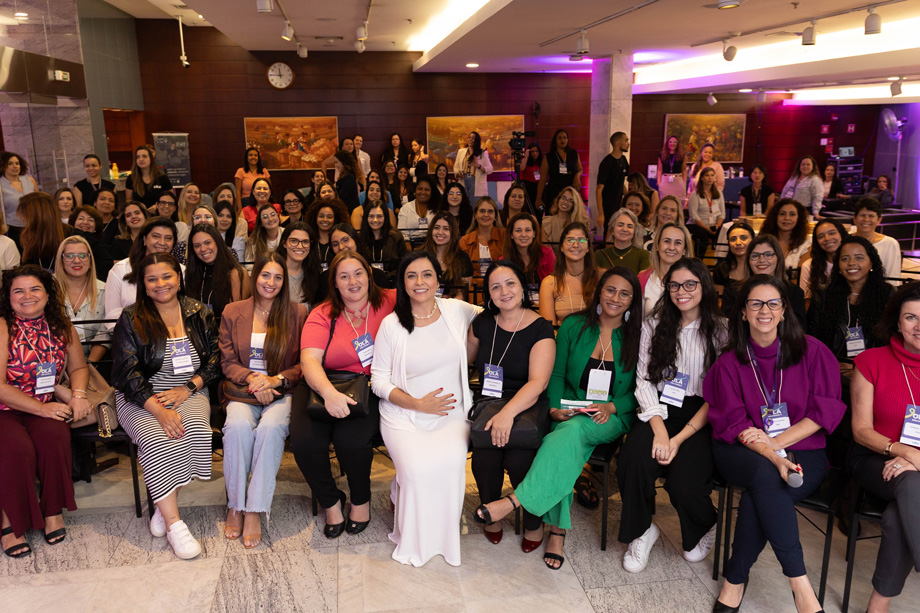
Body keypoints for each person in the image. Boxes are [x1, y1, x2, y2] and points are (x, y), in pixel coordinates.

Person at [474, 268, 642, 570]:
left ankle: (516, 503)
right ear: (599, 291)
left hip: (610, 416)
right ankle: (555, 531)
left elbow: (641, 389)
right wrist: (553, 409)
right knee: (565, 441)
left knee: (566, 436)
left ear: (633, 300)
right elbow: (558, 375)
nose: (616, 298)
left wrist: (613, 407)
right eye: (610, 290)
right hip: (567, 409)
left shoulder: (639, 336)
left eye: (624, 293)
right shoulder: (574, 326)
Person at [705, 275, 845, 613]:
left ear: (784, 311)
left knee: (762, 493)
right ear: (742, 312)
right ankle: (800, 585)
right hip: (741, 451)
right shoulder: (728, 363)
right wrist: (772, 454)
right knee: (766, 474)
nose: (764, 310)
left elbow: (824, 411)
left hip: (804, 449)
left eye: (773, 303)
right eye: (755, 303)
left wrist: (776, 442)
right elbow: (735, 424)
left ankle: (734, 579)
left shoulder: (813, 351)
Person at [370, 251, 481, 566]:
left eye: (427, 274)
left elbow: (497, 314)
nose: (420, 282)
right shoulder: (392, 325)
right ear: (402, 283)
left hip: (451, 414)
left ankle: (444, 539)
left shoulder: (456, 310)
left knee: (450, 464)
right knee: (418, 472)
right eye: (411, 275)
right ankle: (412, 530)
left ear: (438, 278)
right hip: (404, 416)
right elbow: (378, 381)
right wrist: (417, 403)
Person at [617, 257, 726, 572]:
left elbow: (718, 395)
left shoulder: (721, 331)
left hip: (702, 415)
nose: (682, 291)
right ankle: (641, 530)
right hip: (659, 406)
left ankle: (704, 525)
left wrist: (678, 439)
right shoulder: (653, 324)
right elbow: (643, 380)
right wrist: (661, 431)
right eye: (675, 285)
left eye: (690, 284)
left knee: (684, 484)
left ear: (703, 286)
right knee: (632, 462)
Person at [111, 253, 220, 560]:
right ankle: (174, 524)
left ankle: (162, 501)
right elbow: (126, 374)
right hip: (141, 396)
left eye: (167, 276)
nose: (161, 284)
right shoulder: (131, 317)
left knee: (197, 432)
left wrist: (188, 389)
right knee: (158, 439)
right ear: (143, 285)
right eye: (152, 279)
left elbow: (215, 360)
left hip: (189, 390)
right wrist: (158, 410)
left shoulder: (199, 312)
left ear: (179, 278)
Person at [292, 251, 396, 539]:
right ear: (335, 284)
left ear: (370, 275)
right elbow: (309, 360)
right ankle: (331, 501)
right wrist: (329, 394)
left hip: (366, 386)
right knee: (304, 443)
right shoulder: (322, 313)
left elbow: (427, 299)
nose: (353, 281)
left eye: (359, 273)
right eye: (344, 276)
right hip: (320, 385)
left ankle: (360, 500)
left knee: (352, 441)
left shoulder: (390, 300)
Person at [0, 265, 91, 557]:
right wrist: (41, 409)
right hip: (6, 407)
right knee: (17, 450)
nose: (27, 296)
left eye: (35, 289)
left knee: (54, 440)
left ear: (47, 294)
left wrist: (77, 396)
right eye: (19, 291)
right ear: (8, 297)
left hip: (45, 405)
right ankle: (10, 522)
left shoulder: (62, 325)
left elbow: (78, 367)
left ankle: (52, 511)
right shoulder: (3, 326)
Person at [219, 253, 307, 549]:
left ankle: (255, 509)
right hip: (244, 390)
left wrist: (275, 380)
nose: (271, 283)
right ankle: (235, 504)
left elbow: (302, 364)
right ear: (255, 277)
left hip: (280, 391)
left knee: (271, 429)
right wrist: (255, 381)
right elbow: (228, 362)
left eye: (278, 277)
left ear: (285, 281)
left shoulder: (297, 313)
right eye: (265, 275)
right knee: (237, 427)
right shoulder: (233, 311)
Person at [468, 261, 556, 546]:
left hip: (527, 407)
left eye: (510, 283)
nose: (504, 291)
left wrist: (507, 414)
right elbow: (465, 361)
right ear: (488, 294)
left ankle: (533, 521)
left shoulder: (541, 328)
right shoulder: (481, 323)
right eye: (495, 286)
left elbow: (538, 383)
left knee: (520, 460)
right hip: (489, 403)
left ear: (522, 287)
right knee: (484, 459)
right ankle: (492, 513)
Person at [849, 282, 920, 612]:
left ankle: (876, 607)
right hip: (875, 458)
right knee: (910, 480)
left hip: (914, 469)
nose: (919, 326)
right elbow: (861, 430)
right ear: (897, 321)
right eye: (911, 317)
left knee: (895, 518)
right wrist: (904, 452)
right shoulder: (870, 361)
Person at [808, 235, 893, 362]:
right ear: (838, 266)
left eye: (859, 258)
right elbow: (811, 338)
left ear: (871, 262)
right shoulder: (824, 295)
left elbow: (892, 339)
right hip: (831, 367)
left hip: (873, 370)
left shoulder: (887, 294)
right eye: (845, 259)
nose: (851, 263)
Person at [105, 218, 182, 326]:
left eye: (168, 238)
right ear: (144, 239)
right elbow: (112, 317)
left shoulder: (181, 270)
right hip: (131, 337)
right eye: (156, 236)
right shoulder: (120, 269)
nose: (162, 242)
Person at [721, 234, 807, 325]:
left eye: (768, 254)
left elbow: (799, 329)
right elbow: (728, 327)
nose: (761, 260)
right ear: (748, 260)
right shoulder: (733, 291)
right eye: (755, 255)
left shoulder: (794, 292)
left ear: (778, 258)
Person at [53, 236, 109, 364]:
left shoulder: (105, 290)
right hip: (55, 362)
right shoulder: (45, 289)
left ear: (90, 260)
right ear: (61, 260)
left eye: (83, 256)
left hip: (93, 363)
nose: (77, 260)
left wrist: (88, 365)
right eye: (69, 255)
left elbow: (104, 332)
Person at [186, 223, 250, 321]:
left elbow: (235, 317)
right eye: (197, 245)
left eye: (207, 243)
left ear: (218, 242)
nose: (203, 249)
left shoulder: (236, 273)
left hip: (226, 332)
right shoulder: (193, 273)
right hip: (197, 333)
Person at [539, 222, 598, 326]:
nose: (576, 245)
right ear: (561, 247)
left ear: (588, 248)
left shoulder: (600, 278)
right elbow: (548, 330)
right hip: (561, 340)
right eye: (570, 240)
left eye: (581, 240)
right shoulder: (549, 283)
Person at [640, 222, 693, 316]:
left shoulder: (694, 284)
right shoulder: (642, 280)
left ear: (684, 250)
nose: (671, 247)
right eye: (667, 241)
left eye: (678, 243)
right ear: (657, 245)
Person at [502, 213, 555, 303]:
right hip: (516, 308)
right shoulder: (504, 260)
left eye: (528, 230)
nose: (523, 234)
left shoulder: (547, 254)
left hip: (545, 305)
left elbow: (557, 285)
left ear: (534, 234)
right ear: (511, 235)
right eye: (518, 230)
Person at [421, 212, 473, 300]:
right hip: (424, 305)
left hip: (452, 308)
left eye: (446, 229)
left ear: (453, 232)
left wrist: (446, 305)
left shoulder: (463, 258)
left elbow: (462, 295)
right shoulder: (420, 256)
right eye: (436, 228)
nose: (440, 232)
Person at [852, 197, 901, 285]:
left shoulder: (890, 244)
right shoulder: (845, 241)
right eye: (862, 215)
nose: (866, 220)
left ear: (879, 220)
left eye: (871, 216)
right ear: (854, 219)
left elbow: (892, 279)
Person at [17, 192, 69, 271]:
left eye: (25, 215)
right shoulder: (26, 237)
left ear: (38, 215)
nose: (23, 219)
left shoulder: (73, 236)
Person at [460, 196, 505, 281]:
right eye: (482, 211)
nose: (486, 215)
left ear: (495, 215)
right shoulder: (465, 241)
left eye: (490, 211)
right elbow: (463, 273)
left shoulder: (504, 236)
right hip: (474, 289)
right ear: (475, 214)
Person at [758, 198, 812, 270]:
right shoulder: (763, 240)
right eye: (782, 214)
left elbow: (801, 273)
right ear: (775, 217)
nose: (787, 218)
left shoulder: (807, 243)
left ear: (799, 218)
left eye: (792, 214)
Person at [798, 219, 845, 301]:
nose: (827, 238)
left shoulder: (852, 263)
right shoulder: (809, 266)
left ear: (842, 234)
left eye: (832, 233)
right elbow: (806, 302)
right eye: (821, 236)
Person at [538, 129, 583, 213]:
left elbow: (580, 169)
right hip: (555, 188)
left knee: (571, 214)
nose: (563, 140)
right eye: (560, 138)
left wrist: (577, 176)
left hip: (570, 186)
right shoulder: (549, 156)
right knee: (553, 213)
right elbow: (543, 179)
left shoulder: (573, 153)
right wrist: (538, 198)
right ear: (555, 140)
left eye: (565, 138)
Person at [358, 202, 407, 280]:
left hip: (392, 281)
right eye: (371, 216)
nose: (375, 220)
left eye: (379, 216)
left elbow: (404, 264)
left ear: (385, 217)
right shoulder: (360, 238)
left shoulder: (396, 237)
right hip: (367, 281)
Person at [276, 222, 321, 306]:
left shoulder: (314, 274)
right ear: (284, 243)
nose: (300, 246)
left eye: (305, 242)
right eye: (294, 241)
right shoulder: (274, 272)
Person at [595, 208, 649, 275]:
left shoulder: (644, 255)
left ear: (635, 232)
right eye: (620, 225)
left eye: (630, 226)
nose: (625, 229)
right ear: (612, 230)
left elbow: (643, 282)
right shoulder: (599, 255)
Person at [0, 151, 38, 243]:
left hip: (34, 226)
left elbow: (39, 202)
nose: (15, 166)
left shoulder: (30, 180)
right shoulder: (1, 184)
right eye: (10, 164)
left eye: (17, 163)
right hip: (12, 228)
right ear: (3, 165)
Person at [687, 167, 725, 256]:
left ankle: (720, 262)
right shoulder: (695, 194)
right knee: (703, 237)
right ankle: (699, 262)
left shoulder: (719, 193)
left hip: (714, 224)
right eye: (707, 175)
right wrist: (707, 228)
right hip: (697, 224)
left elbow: (722, 213)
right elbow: (693, 215)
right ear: (702, 178)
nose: (710, 178)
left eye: (712, 175)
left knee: (725, 234)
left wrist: (717, 225)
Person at [305, 198, 349, 270]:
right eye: (321, 216)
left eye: (329, 217)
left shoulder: (340, 243)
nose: (325, 220)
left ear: (335, 219)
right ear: (315, 218)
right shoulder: (309, 241)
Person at [125, 145, 173, 210]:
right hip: (140, 215)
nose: (141, 159)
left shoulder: (162, 177)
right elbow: (128, 200)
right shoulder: (131, 178)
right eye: (138, 157)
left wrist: (158, 206)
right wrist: (137, 205)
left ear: (151, 158)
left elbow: (170, 198)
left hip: (160, 214)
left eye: (144, 156)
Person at [712, 222, 754, 295]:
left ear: (753, 240)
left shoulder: (760, 266)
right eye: (733, 239)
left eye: (743, 238)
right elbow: (719, 301)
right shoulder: (721, 268)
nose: (738, 242)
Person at [151, 191, 189, 264]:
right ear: (157, 205)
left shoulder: (180, 226)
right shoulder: (149, 226)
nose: (166, 206)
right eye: (163, 203)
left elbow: (179, 251)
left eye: (170, 204)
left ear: (174, 208)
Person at [454, 131, 493, 198]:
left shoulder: (483, 153)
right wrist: (457, 173)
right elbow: (456, 166)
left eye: (473, 138)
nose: (470, 139)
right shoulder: (461, 151)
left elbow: (490, 169)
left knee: (473, 204)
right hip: (463, 180)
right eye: (469, 137)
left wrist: (478, 166)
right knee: (463, 202)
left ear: (477, 140)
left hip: (476, 182)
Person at [397, 175, 436, 241]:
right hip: (411, 246)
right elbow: (403, 235)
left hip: (432, 246)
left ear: (432, 192)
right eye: (420, 189)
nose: (423, 192)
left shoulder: (437, 208)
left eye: (427, 190)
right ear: (415, 190)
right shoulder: (406, 208)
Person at [656, 135, 687, 203]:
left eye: (675, 142)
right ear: (667, 143)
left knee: (679, 202)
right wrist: (659, 182)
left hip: (678, 181)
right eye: (670, 142)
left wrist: (684, 182)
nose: (672, 144)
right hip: (665, 180)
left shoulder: (682, 155)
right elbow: (659, 169)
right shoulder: (662, 155)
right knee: (665, 202)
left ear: (677, 143)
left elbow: (684, 169)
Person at [519, 143, 543, 208]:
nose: (535, 153)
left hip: (539, 186)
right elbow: (521, 168)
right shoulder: (525, 160)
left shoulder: (541, 161)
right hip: (528, 186)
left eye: (536, 151)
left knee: (539, 207)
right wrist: (526, 156)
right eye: (532, 151)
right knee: (530, 207)